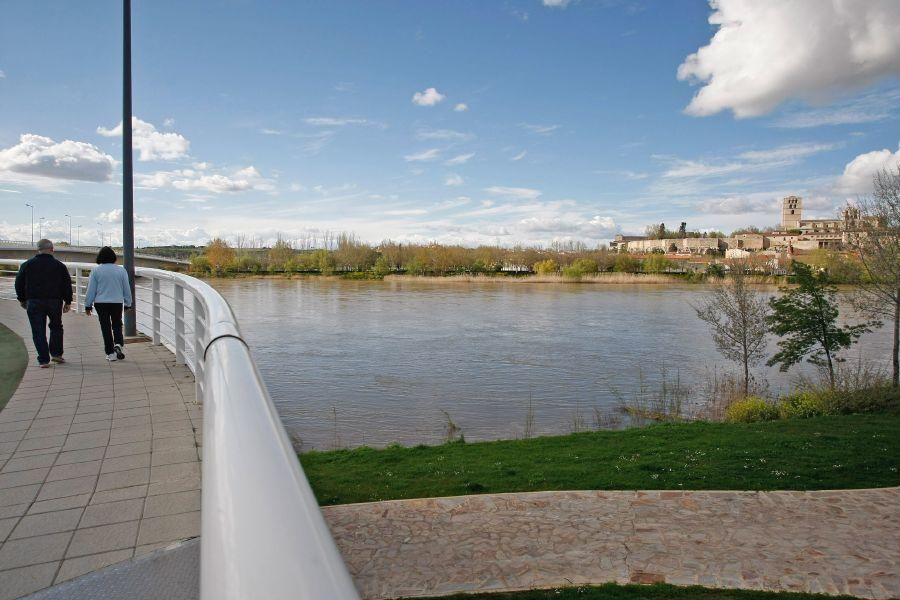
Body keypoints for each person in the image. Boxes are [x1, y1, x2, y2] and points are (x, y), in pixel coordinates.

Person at [15, 239, 73, 368]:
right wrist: (68, 301)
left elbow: (18, 283)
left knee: (38, 330)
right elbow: (66, 285)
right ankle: (56, 354)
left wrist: (22, 299)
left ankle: (43, 360)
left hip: (34, 301)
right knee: (56, 327)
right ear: (52, 249)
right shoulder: (59, 266)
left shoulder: (27, 265)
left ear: (38, 249)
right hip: (54, 301)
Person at [84, 246, 133, 361]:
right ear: (113, 257)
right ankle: (118, 344)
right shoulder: (121, 270)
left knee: (105, 326)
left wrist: (88, 305)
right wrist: (128, 303)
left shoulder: (96, 270)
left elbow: (91, 289)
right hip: (116, 302)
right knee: (117, 324)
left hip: (101, 302)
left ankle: (110, 353)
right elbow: (126, 288)